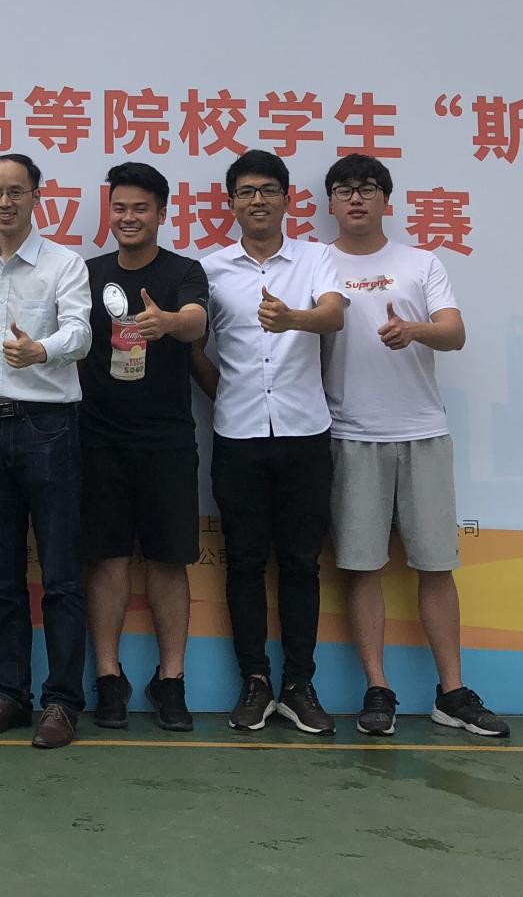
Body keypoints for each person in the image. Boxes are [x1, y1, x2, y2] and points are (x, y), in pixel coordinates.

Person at [322, 154, 510, 739]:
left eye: (367, 189)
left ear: (387, 200)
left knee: (435, 565)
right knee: (362, 566)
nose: (356, 199)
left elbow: (454, 333)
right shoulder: (315, 263)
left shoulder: (421, 262)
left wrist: (413, 330)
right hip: (350, 432)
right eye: (344, 190)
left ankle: (452, 692)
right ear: (330, 203)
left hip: (423, 430)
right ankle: (377, 689)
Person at [203, 150, 346, 736]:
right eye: (245, 191)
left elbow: (333, 316)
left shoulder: (316, 258)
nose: (256, 200)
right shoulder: (210, 269)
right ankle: (255, 682)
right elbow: (193, 347)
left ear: (288, 199)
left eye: (267, 190)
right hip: (237, 434)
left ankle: (299, 686)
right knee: (243, 562)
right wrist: (225, 392)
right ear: (232, 203)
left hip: (304, 433)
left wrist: (294, 319)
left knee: (301, 563)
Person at [0, 153, 92, 750]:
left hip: (49, 427)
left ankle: (61, 702)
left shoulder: (64, 262)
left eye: (16, 191)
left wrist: (43, 350)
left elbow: (82, 331)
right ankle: (8, 695)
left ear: (38, 196)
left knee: (60, 575)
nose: (5, 202)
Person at [80, 162, 209, 732]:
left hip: (166, 438)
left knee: (168, 559)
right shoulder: (86, 273)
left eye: (140, 208)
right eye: (120, 208)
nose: (128, 217)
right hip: (97, 435)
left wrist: (170, 321)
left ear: (161, 213)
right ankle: (109, 678)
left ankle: (171, 680)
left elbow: (196, 321)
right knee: (106, 558)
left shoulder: (184, 270)